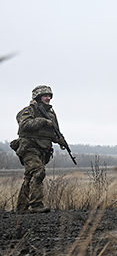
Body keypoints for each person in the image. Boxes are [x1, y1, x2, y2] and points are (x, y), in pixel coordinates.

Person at [10, 85, 66, 213]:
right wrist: (42, 121)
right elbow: (24, 125)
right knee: (38, 172)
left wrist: (60, 140)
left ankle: (21, 207)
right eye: (45, 95)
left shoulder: (51, 114)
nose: (48, 98)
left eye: (49, 96)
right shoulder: (28, 111)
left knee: (29, 177)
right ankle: (36, 205)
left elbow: (52, 132)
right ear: (38, 97)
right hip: (29, 147)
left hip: (43, 149)